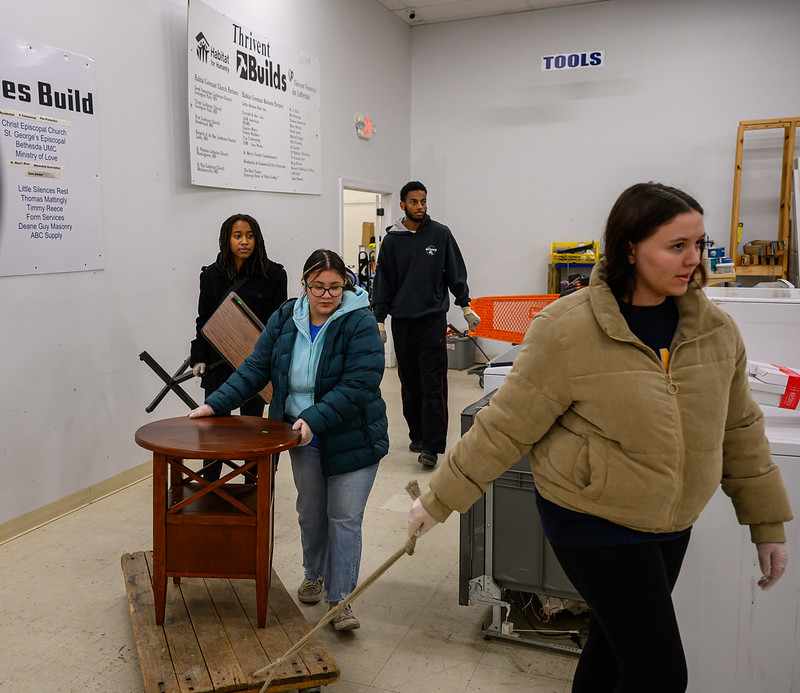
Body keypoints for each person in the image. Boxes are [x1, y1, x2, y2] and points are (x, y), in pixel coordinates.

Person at [406, 182, 792, 692]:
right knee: (659, 673)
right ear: (630, 247)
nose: (693, 259)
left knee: (614, 650)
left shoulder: (716, 331)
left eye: (698, 243)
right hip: (592, 518)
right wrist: (438, 501)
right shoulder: (569, 328)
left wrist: (765, 521)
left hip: (671, 520)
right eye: (677, 246)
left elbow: (739, 428)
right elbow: (504, 426)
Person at [189, 249, 388, 632]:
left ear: (346, 284)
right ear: (305, 285)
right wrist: (216, 404)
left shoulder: (359, 322)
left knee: (344, 519)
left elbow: (360, 383)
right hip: (302, 438)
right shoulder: (285, 317)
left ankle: (340, 600)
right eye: (318, 287)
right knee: (311, 514)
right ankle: (314, 573)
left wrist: (313, 418)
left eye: (335, 286)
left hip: (353, 437)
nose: (327, 295)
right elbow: (255, 367)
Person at [371, 181, 481, 467]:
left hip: (432, 320)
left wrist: (465, 305)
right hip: (403, 322)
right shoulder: (392, 241)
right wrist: (379, 320)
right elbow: (384, 282)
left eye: (423, 201)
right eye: (414, 202)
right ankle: (417, 434)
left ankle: (432, 446)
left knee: (433, 382)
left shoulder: (440, 234)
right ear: (403, 205)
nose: (420, 206)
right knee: (409, 383)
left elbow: (455, 272)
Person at [190, 213, 287, 481]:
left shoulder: (274, 275)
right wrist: (198, 357)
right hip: (218, 362)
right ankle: (211, 483)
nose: (244, 242)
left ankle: (252, 483)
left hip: (255, 364)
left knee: (252, 427)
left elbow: (279, 324)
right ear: (227, 239)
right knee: (213, 427)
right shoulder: (211, 275)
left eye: (249, 236)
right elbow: (204, 320)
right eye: (237, 236)